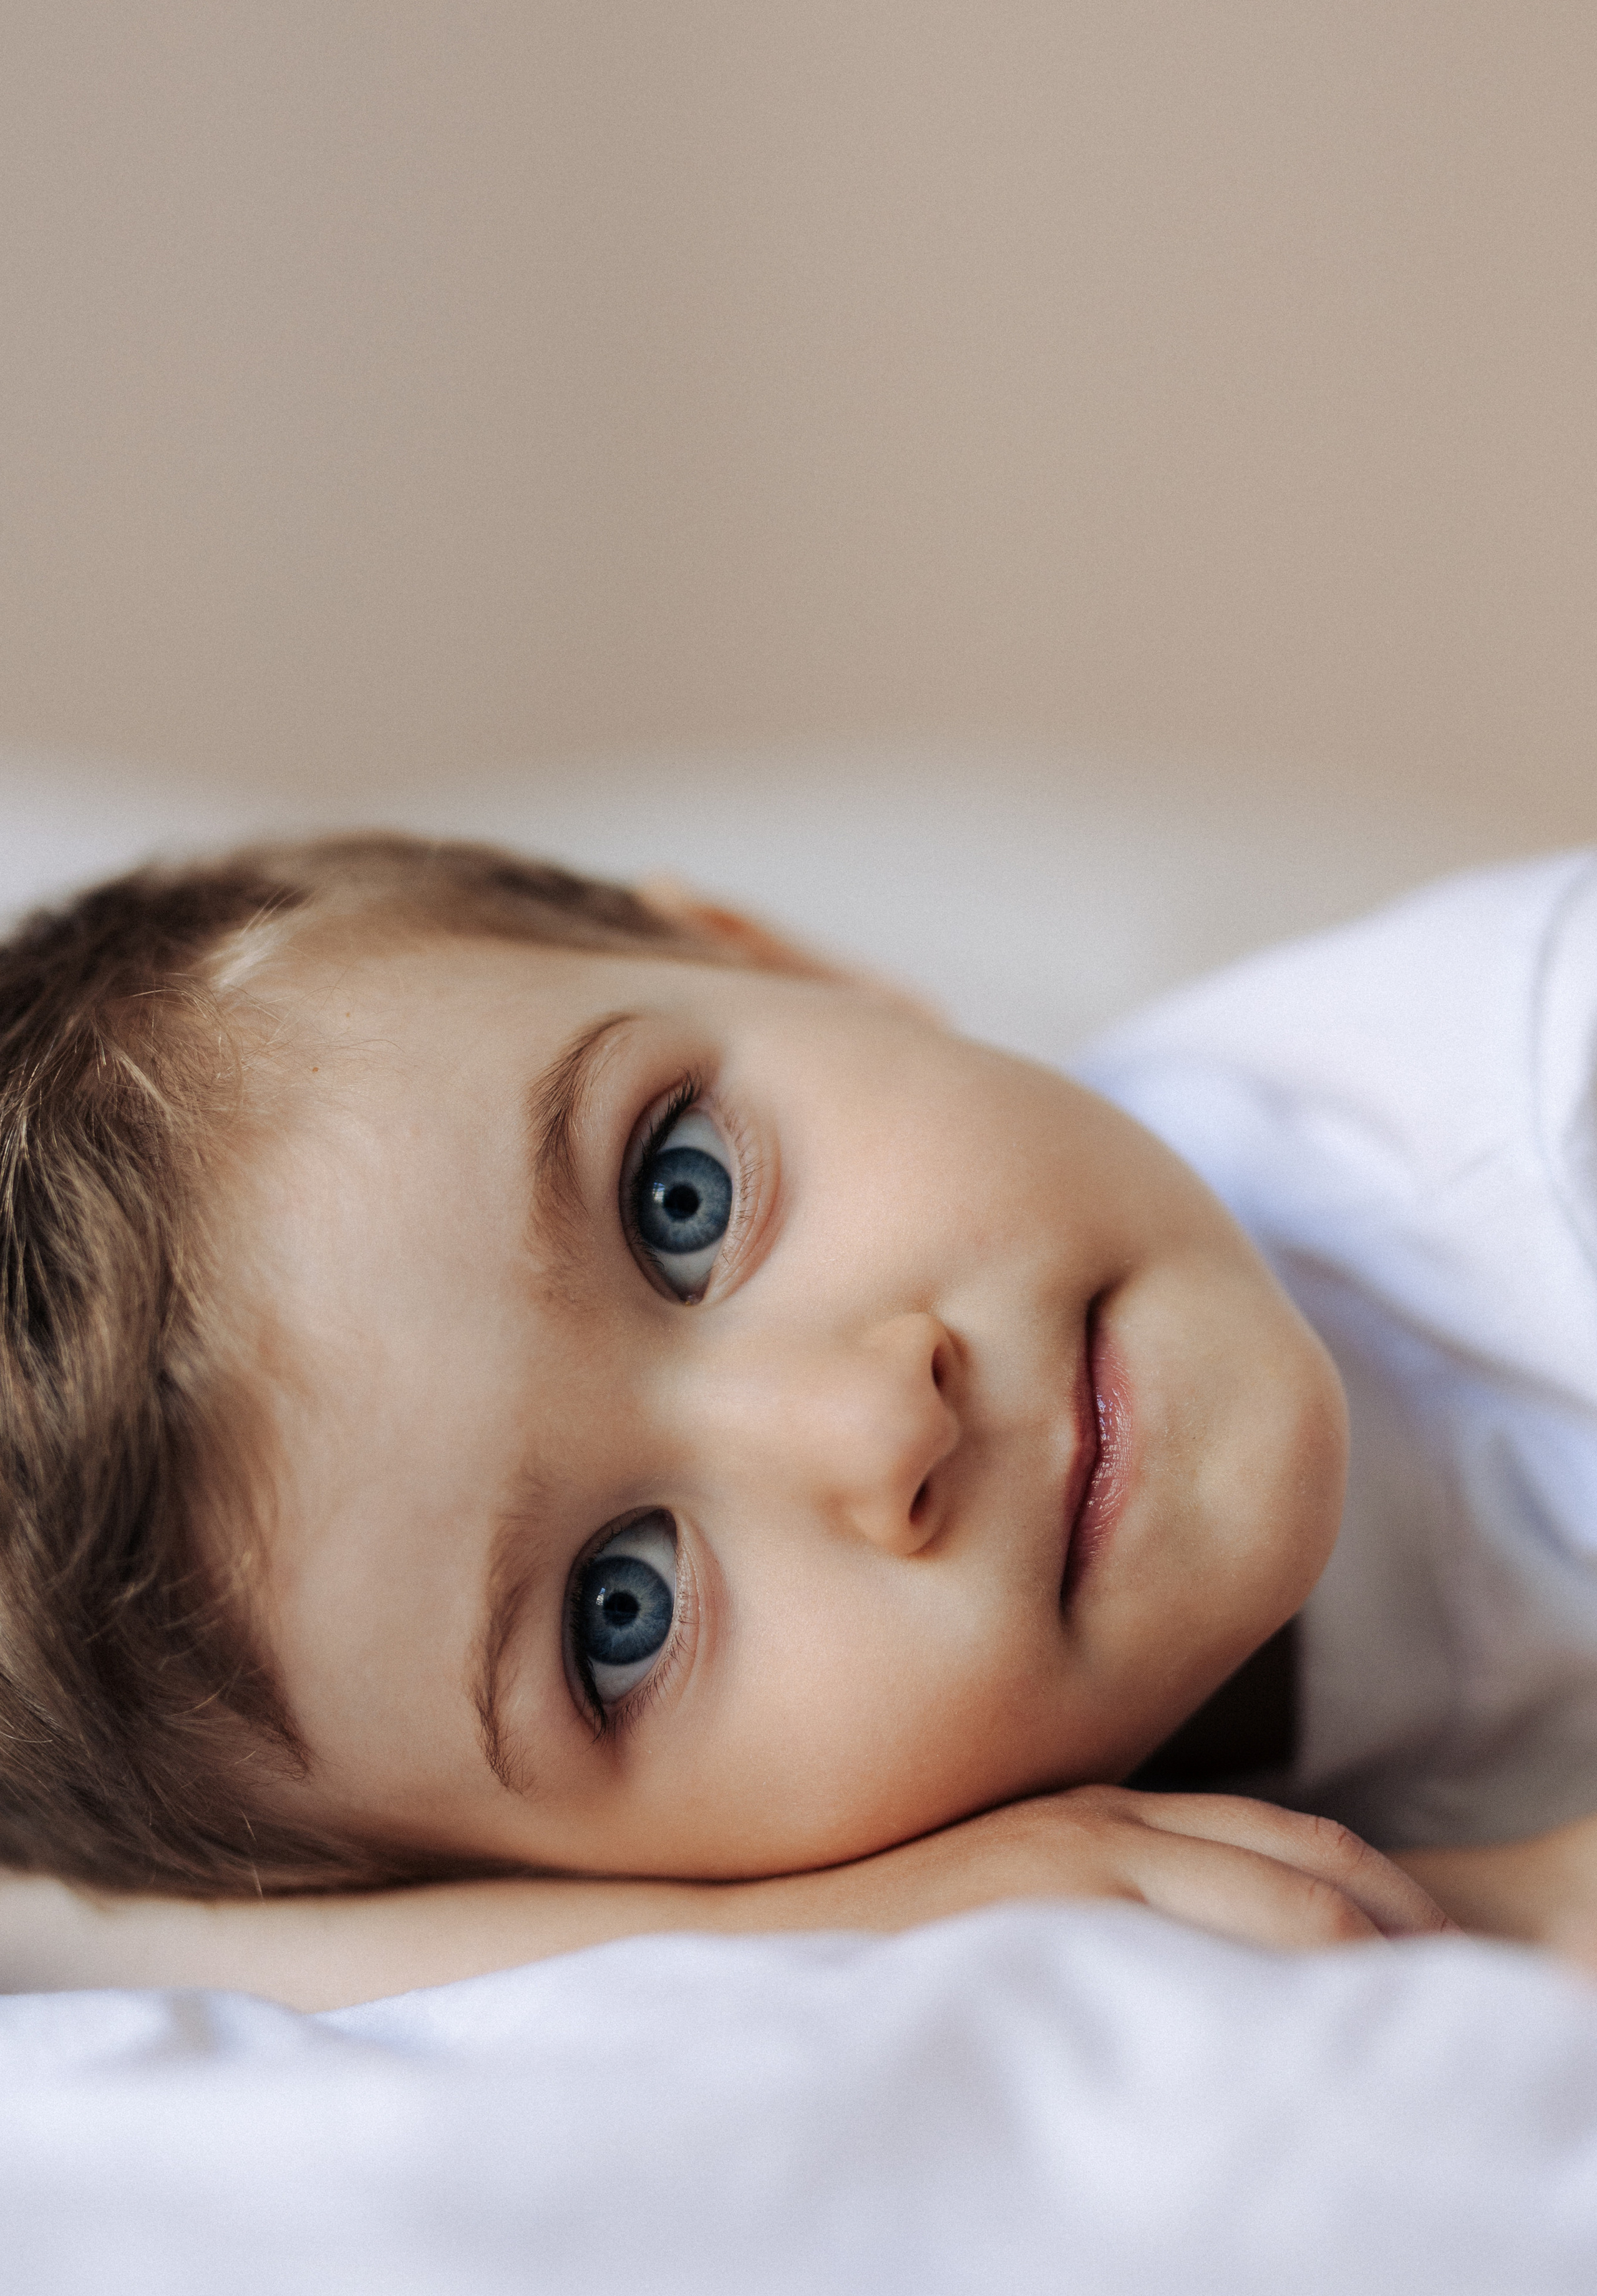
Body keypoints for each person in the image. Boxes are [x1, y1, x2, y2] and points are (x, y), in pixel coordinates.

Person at [2, 833, 1591, 2013]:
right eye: (620, 1613)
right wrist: (786, 1932)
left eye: (677, 1197)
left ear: (783, 962)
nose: (871, 1422)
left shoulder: (1539, 1109)